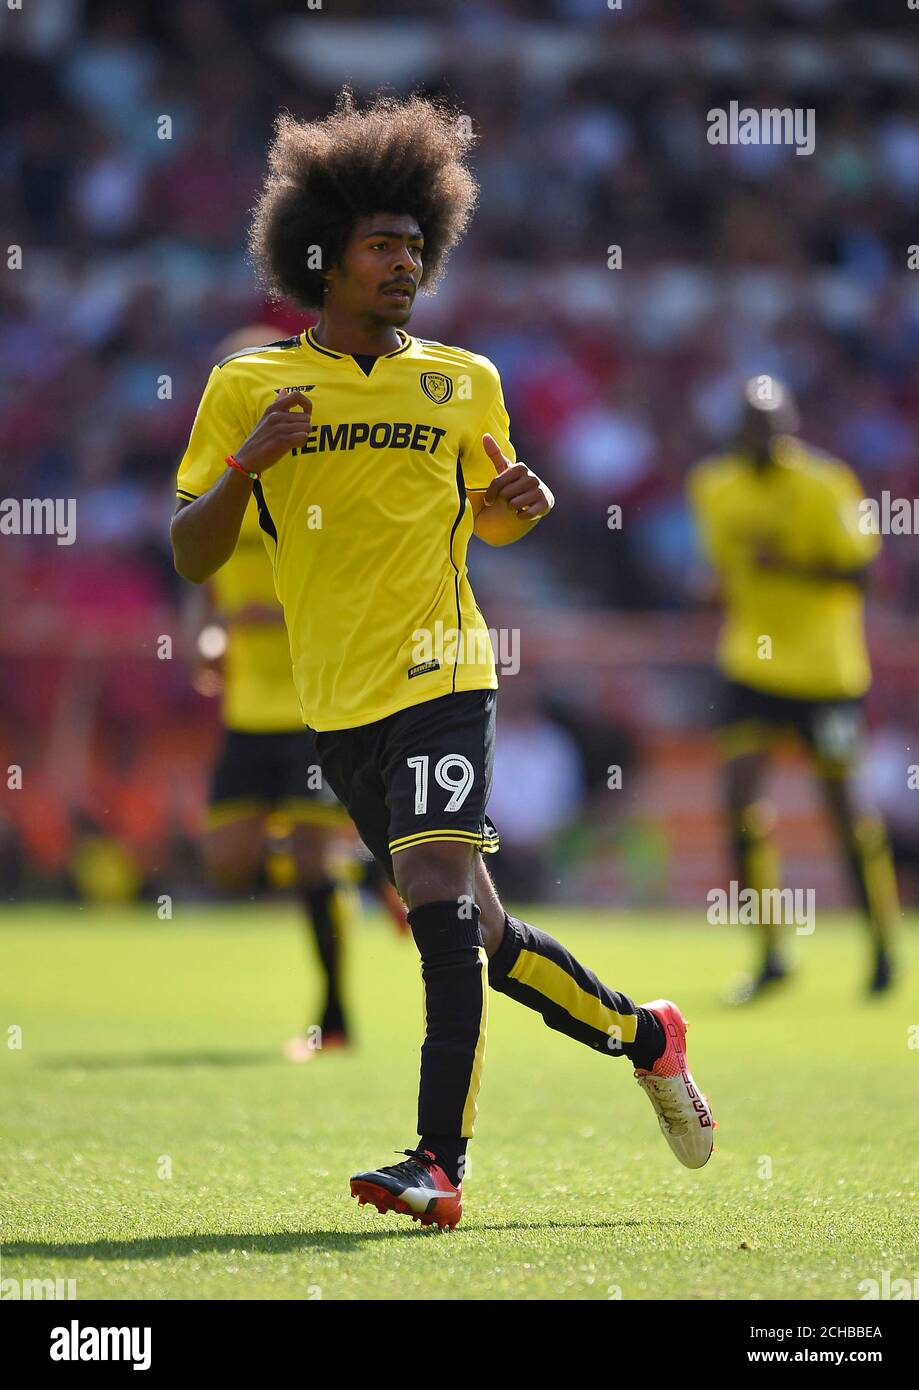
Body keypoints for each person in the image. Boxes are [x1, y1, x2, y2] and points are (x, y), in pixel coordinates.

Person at [171, 91, 714, 1230]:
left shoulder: (461, 380)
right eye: (382, 245)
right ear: (321, 255)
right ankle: (643, 1034)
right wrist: (246, 467)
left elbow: (495, 513)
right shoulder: (249, 387)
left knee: (427, 894)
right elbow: (190, 547)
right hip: (335, 700)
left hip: (443, 671)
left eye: (418, 244)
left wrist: (520, 500)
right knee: (484, 931)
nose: (404, 263)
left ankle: (437, 1159)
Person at [186, 325, 407, 1060]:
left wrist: (268, 615)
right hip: (249, 708)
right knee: (228, 862)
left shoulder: (317, 487)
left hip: (314, 704)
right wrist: (210, 639)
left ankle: (334, 1020)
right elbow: (203, 584)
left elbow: (349, 587)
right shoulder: (224, 486)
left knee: (308, 859)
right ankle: (369, 869)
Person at [688, 375, 900, 1003]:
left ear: (791, 427)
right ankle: (773, 952)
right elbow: (726, 569)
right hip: (752, 668)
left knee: (844, 812)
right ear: (737, 430)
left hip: (827, 674)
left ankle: (883, 944)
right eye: (754, 427)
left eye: (773, 426)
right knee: (739, 804)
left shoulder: (827, 484)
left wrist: (789, 568)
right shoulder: (712, 486)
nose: (764, 438)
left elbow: (867, 575)